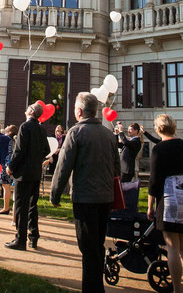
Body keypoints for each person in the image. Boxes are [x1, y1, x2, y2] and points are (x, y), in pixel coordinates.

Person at [49, 92, 120, 293]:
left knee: (88, 247)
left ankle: (93, 289)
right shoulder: (108, 134)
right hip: (105, 197)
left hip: (85, 197)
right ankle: (97, 285)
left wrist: (55, 194)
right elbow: (116, 169)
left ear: (79, 111)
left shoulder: (75, 132)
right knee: (97, 243)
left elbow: (63, 167)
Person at [147, 114, 183, 293]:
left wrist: (150, 207)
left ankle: (177, 290)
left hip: (169, 198)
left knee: (172, 247)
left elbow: (154, 181)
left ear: (157, 129)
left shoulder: (159, 149)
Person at [5, 102, 50, 250]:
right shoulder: (41, 129)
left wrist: (11, 167)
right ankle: (33, 237)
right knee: (32, 206)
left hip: (23, 174)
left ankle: (20, 239)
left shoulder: (25, 126)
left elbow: (19, 151)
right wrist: (35, 159)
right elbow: (46, 150)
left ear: (30, 111)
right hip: (35, 173)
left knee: (20, 207)